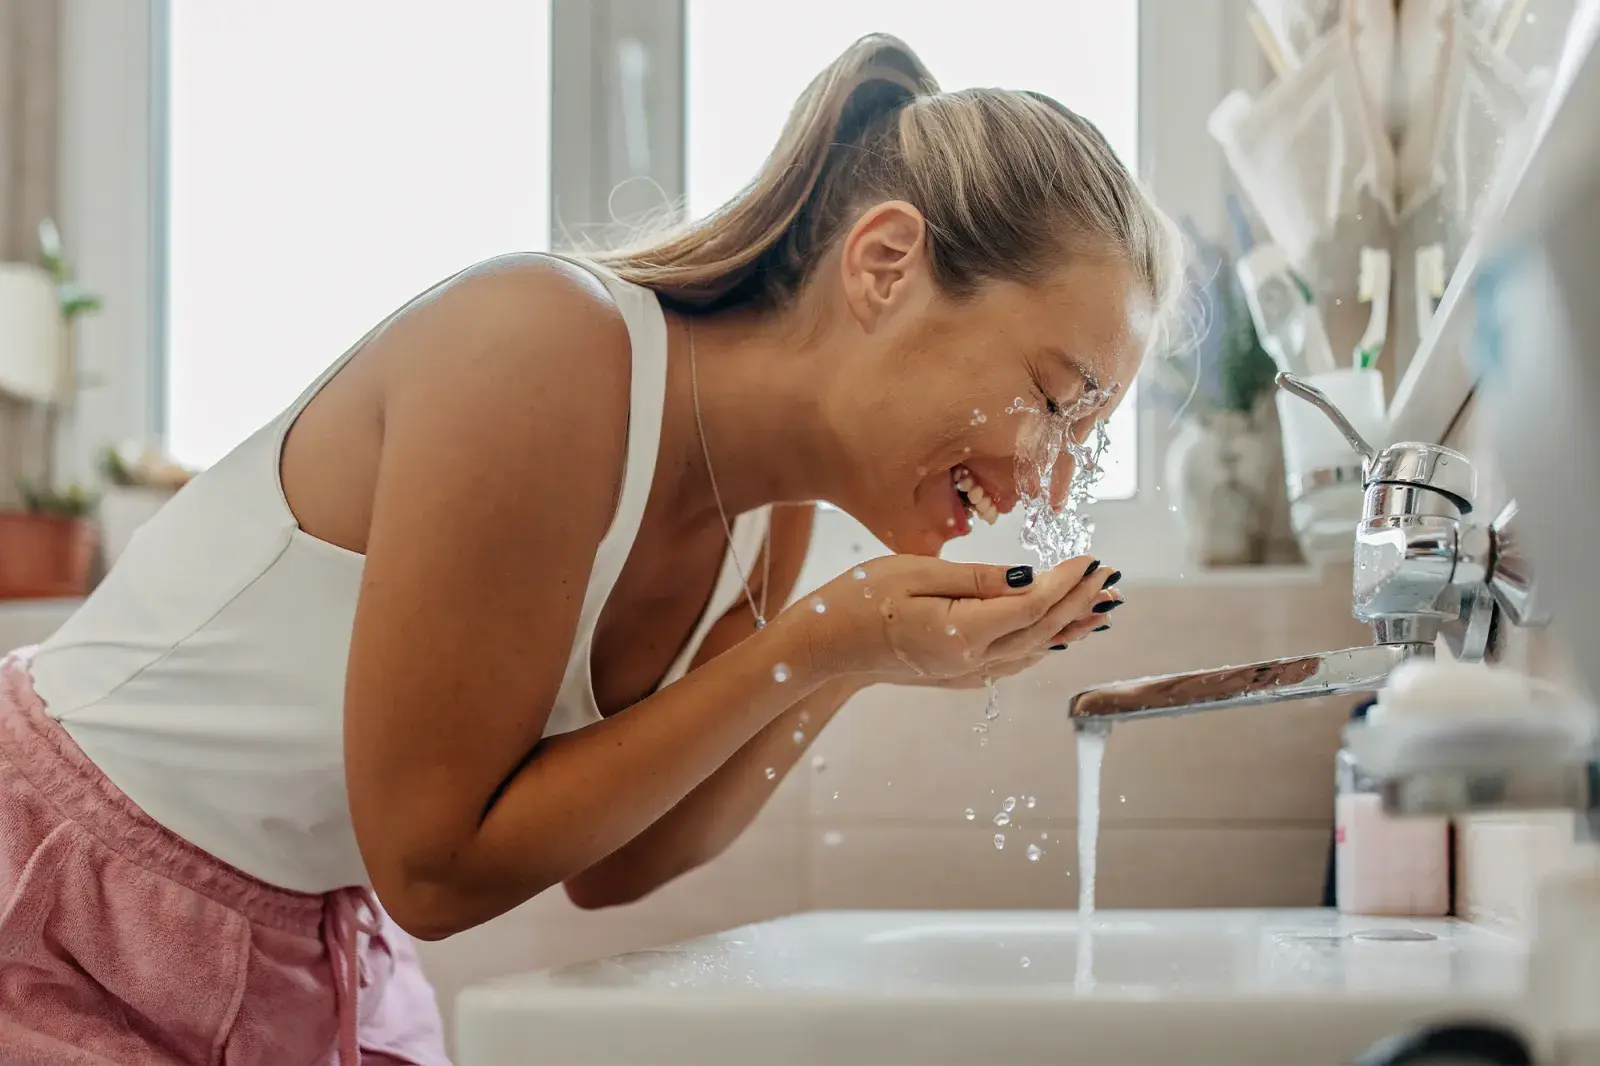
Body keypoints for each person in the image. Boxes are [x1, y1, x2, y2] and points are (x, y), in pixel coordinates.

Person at [0, 33, 1182, 1066]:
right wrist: (825, 637)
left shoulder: (772, 531)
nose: (1055, 479)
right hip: (60, 890)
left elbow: (615, 866)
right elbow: (434, 868)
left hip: (304, 942)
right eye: (1055, 400)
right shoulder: (543, 349)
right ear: (883, 264)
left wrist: (846, 661)